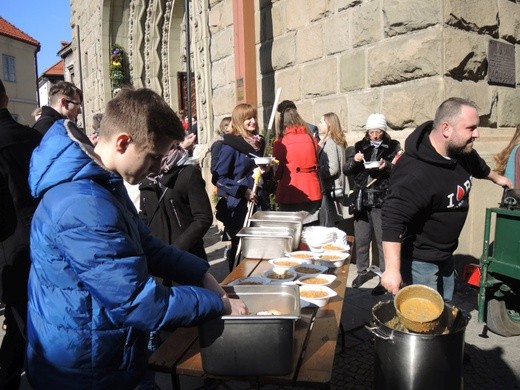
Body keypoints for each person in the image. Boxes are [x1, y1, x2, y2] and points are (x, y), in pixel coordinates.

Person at [25, 87, 247, 389]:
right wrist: (218, 305)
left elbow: (149, 247)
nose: (157, 168)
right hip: (84, 368)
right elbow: (138, 303)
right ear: (123, 142)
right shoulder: (83, 204)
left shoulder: (102, 183)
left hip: (106, 350)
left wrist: (203, 275)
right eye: (153, 157)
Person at [381, 97, 512, 300]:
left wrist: (498, 178)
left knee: (445, 306)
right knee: (424, 319)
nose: (477, 134)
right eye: (471, 128)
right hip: (420, 260)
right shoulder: (415, 172)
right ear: (446, 129)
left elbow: (479, 166)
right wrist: (391, 270)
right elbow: (392, 219)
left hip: (446, 254)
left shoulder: (462, 152)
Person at [0, 80, 42, 389]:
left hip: (8, 247)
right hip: (41, 234)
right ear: (5, 99)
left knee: (19, 322)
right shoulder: (31, 136)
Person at [343, 113, 401, 295]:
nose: (375, 136)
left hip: (381, 199)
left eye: (378, 132)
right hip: (362, 199)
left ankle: (384, 276)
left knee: (382, 241)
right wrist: (355, 161)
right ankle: (361, 271)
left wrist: (388, 166)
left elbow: (400, 170)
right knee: (361, 239)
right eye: (371, 132)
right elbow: (347, 170)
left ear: (383, 132)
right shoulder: (360, 146)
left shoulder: (393, 147)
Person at [213, 103, 272, 271]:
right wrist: (243, 191)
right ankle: (236, 286)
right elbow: (219, 178)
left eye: (254, 117)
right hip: (239, 207)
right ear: (239, 121)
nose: (253, 121)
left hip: (259, 203)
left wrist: (265, 171)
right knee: (240, 249)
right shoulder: (230, 146)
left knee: (260, 250)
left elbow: (258, 174)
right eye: (248, 119)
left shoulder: (258, 143)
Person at [139, 145, 213, 260]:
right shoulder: (146, 175)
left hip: (186, 256)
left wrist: (177, 248)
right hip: (157, 257)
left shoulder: (188, 173)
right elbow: (145, 215)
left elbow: (203, 217)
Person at [272, 107, 322, 217]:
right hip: (312, 189)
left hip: (290, 192)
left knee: (290, 228)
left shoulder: (280, 142)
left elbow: (277, 172)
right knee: (311, 228)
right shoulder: (311, 138)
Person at [317, 112, 351, 228]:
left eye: (322, 122)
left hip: (332, 190)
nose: (319, 124)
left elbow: (333, 168)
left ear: (330, 125)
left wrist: (316, 171)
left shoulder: (331, 142)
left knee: (332, 226)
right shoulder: (336, 140)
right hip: (336, 189)